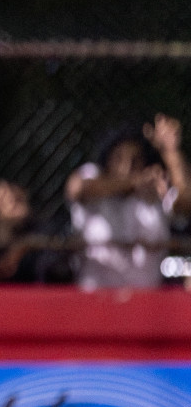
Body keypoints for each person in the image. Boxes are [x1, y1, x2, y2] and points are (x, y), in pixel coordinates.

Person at [66, 114, 191, 290]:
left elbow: (185, 202)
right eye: (118, 158)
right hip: (95, 302)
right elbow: (77, 189)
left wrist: (170, 152)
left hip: (147, 305)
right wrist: (135, 182)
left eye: (135, 160)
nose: (127, 167)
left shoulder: (154, 193)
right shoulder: (92, 177)